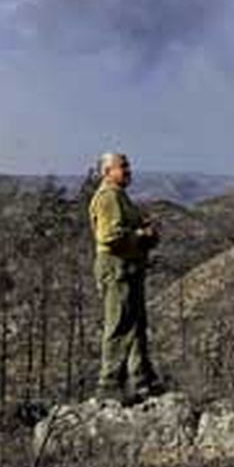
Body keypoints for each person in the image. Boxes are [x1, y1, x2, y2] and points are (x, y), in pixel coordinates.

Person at [89, 151, 163, 403]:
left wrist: (145, 233)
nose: (129, 170)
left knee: (135, 325)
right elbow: (108, 236)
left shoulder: (119, 196)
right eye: (123, 166)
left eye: (128, 166)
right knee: (119, 325)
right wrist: (141, 234)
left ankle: (142, 380)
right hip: (116, 267)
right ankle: (109, 384)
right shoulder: (108, 196)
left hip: (127, 268)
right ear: (108, 171)